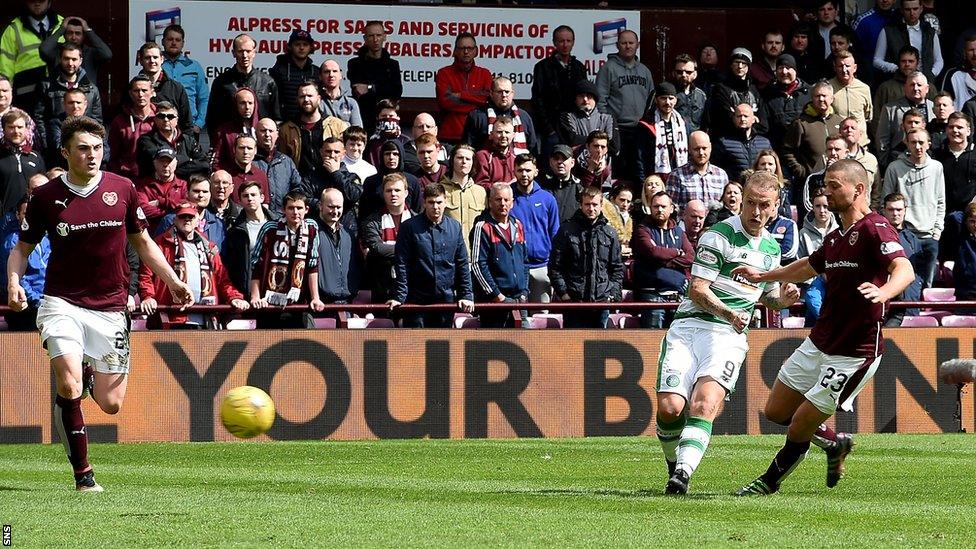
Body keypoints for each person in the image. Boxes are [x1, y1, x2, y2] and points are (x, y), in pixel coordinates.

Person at [7, 115, 193, 491]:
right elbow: (21, 249)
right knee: (69, 384)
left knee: (111, 403)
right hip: (62, 303)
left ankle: (86, 377)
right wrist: (13, 281)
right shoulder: (46, 197)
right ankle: (84, 476)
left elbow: (142, 242)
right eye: (83, 149)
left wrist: (172, 281)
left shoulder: (122, 188)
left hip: (110, 307)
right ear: (66, 152)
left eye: (97, 148)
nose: (92, 155)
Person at [734, 159, 914, 497]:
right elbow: (808, 267)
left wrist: (884, 292)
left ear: (858, 190)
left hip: (854, 352)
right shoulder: (835, 236)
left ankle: (767, 482)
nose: (826, 191)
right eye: (825, 185)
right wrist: (764, 276)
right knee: (775, 411)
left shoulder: (876, 228)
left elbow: (904, 268)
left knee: (802, 421)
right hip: (820, 341)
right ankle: (834, 445)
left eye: (834, 185)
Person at [656, 171, 797, 495]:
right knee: (670, 408)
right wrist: (729, 312)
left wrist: (782, 299)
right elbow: (697, 289)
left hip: (727, 338)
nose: (756, 212)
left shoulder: (772, 249)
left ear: (775, 207)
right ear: (740, 201)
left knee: (705, 404)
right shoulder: (717, 236)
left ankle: (682, 475)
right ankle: (673, 462)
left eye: (764, 205)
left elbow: (765, 296)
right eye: (750, 203)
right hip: (690, 327)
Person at [139, 203, 247, 329]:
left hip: (205, 318)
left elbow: (222, 279)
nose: (187, 220)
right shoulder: (159, 244)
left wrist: (234, 297)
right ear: (174, 219)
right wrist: (148, 297)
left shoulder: (209, 248)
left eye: (190, 217)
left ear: (198, 221)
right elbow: (146, 275)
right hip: (171, 319)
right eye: (182, 216)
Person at [389, 183, 474, 328]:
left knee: (441, 347)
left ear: (445, 202)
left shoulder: (454, 227)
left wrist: (466, 295)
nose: (435, 207)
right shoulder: (409, 227)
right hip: (416, 300)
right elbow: (401, 264)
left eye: (439, 202)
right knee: (417, 346)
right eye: (431, 202)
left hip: (445, 299)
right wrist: (399, 297)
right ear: (424, 203)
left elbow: (462, 263)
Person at [549, 186, 624, 328]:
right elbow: (555, 266)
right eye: (587, 204)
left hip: (602, 301)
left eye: (595, 204)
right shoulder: (566, 231)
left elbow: (617, 268)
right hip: (574, 302)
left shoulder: (610, 233)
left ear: (602, 206)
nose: (591, 208)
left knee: (599, 347)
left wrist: (612, 294)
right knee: (573, 347)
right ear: (580, 205)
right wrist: (564, 293)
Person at [249, 190, 324, 328]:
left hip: (299, 301)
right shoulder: (270, 229)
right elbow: (256, 264)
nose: (295, 212)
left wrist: (315, 298)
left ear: (306, 209)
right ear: (284, 210)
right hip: (270, 300)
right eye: (291, 208)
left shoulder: (312, 228)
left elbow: (313, 265)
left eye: (299, 208)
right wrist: (255, 297)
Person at [881, 128, 945, 287]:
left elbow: (940, 201)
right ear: (906, 144)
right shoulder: (894, 168)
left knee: (927, 284)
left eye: (921, 142)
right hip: (904, 234)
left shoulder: (936, 167)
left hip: (929, 235)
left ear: (929, 144)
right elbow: (886, 200)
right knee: (905, 280)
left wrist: (937, 231)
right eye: (913, 142)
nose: (918, 146)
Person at [470, 182, 529, 328]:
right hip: (494, 302)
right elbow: (478, 265)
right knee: (495, 348)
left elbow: (525, 262)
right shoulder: (483, 227)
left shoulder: (518, 226)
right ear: (490, 202)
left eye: (506, 200)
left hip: (519, 300)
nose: (502, 203)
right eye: (498, 199)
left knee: (525, 344)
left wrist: (524, 291)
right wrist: (497, 295)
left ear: (512, 203)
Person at [596, 30, 653, 179]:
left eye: (631, 43)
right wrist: (607, 124)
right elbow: (600, 99)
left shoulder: (644, 71)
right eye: (624, 43)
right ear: (617, 45)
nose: (628, 46)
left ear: (637, 45)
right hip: (618, 129)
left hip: (640, 128)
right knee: (618, 170)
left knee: (639, 169)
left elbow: (652, 99)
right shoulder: (608, 68)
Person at [631, 191, 693, 329]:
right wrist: (677, 252)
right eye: (656, 206)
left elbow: (690, 257)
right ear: (650, 208)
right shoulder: (642, 229)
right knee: (653, 344)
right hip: (652, 296)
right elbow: (653, 252)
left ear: (671, 208)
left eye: (663, 206)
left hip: (677, 296)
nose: (659, 209)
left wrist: (664, 260)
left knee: (678, 342)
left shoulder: (678, 231)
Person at [206, 34, 280, 142]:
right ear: (233, 53)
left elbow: (276, 118)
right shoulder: (222, 83)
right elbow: (213, 119)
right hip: (230, 144)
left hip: (260, 144)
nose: (244, 55)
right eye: (240, 51)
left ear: (254, 52)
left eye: (248, 51)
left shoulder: (267, 82)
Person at [34, 43, 102, 158]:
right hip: (53, 150)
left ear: (80, 60)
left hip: (85, 151)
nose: (70, 63)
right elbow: (39, 117)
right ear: (60, 59)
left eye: (74, 59)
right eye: (66, 59)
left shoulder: (91, 89)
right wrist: (46, 144)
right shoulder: (46, 85)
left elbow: (97, 121)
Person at [510, 153, 560, 304]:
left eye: (528, 170)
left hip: (542, 266)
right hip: (515, 267)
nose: (524, 174)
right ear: (514, 171)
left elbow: (554, 233)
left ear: (536, 172)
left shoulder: (547, 199)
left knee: (541, 316)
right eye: (520, 170)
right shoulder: (506, 197)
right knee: (518, 316)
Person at [531, 25, 587, 155]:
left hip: (574, 127)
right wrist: (549, 129)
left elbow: (584, 97)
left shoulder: (579, 67)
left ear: (573, 42)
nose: (565, 45)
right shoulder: (543, 67)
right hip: (551, 127)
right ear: (554, 42)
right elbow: (537, 99)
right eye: (561, 41)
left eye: (569, 41)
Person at [360, 173, 413, 305]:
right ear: (383, 193)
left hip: (412, 285)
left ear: (406, 193)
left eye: (397, 190)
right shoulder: (371, 221)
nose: (393, 194)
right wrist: (409, 250)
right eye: (389, 190)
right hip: (382, 286)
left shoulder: (417, 220)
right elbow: (377, 249)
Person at [0, 0, 63, 109]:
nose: (37, 4)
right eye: (32, 0)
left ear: (49, 2)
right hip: (26, 95)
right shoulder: (13, 29)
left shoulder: (62, 24)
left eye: (41, 0)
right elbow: (5, 69)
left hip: (60, 93)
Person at [220, 181, 278, 295]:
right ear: (240, 201)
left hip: (275, 288)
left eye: (253, 195)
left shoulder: (278, 225)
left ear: (262, 198)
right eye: (245, 196)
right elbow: (232, 266)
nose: (250, 199)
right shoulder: (235, 231)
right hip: (247, 291)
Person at [782, 81, 844, 185]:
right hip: (811, 182)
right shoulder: (801, 123)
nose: (821, 99)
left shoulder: (839, 121)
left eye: (824, 96)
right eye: (817, 96)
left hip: (837, 179)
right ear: (811, 98)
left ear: (832, 99)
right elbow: (787, 150)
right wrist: (801, 171)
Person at [347, 21, 403, 135]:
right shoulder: (355, 64)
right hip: (363, 118)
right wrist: (382, 87)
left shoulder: (392, 65)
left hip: (386, 118)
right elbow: (358, 90)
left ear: (385, 37)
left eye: (378, 35)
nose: (375, 39)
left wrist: (369, 87)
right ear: (365, 38)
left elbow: (396, 91)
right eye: (371, 36)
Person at [435, 32, 492, 144]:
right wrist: (476, 104)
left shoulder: (485, 74)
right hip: (450, 136)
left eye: (470, 48)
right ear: (455, 51)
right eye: (462, 48)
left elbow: (487, 100)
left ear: (476, 51)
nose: (466, 52)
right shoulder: (443, 73)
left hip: (479, 136)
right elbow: (445, 102)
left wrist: (461, 95)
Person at [301, 137, 362, 236]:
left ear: (343, 154)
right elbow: (302, 198)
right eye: (328, 151)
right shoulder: (311, 177)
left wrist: (336, 173)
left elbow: (354, 196)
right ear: (321, 152)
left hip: (346, 230)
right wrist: (322, 206)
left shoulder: (351, 177)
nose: (332, 155)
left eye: (336, 152)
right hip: (317, 229)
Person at [880, 192, 924, 326]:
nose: (895, 213)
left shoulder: (912, 239)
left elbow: (918, 273)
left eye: (899, 209)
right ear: (884, 210)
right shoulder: (876, 235)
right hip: (884, 307)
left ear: (905, 211)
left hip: (909, 304)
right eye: (891, 209)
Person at [463, 76, 537, 156]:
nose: (504, 95)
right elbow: (468, 149)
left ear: (512, 93)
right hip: (486, 165)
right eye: (499, 92)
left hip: (518, 165)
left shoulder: (524, 117)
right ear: (491, 93)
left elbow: (532, 148)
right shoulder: (477, 116)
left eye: (507, 92)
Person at [135, 101, 209, 180]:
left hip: (184, 188)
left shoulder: (188, 140)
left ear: (176, 120)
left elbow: (204, 164)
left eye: (170, 116)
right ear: (155, 119)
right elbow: (158, 163)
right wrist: (188, 161)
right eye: (161, 116)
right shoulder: (146, 141)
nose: (166, 119)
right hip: (153, 187)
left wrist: (172, 168)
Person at [875, 71, 936, 168]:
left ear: (927, 88)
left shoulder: (934, 108)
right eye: (912, 85)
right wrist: (886, 164)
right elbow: (882, 140)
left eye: (919, 85)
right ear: (905, 87)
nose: (916, 88)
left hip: (928, 163)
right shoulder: (890, 109)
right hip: (898, 162)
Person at [873, 0, 944, 81]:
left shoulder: (929, 32)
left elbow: (939, 60)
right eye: (908, 9)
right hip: (897, 81)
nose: (912, 13)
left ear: (921, 9)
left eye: (915, 9)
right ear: (902, 10)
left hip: (924, 82)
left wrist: (931, 74)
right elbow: (877, 60)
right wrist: (895, 68)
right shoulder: (888, 31)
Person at [797, 189, 837, 326]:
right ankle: (830, 325)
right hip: (811, 283)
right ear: (812, 207)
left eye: (825, 206)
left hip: (835, 283)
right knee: (812, 302)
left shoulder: (840, 232)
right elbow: (800, 262)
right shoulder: (803, 233)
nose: (822, 210)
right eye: (818, 206)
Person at [315, 188, 361, 307]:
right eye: (331, 207)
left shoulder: (348, 234)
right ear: (321, 206)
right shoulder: (312, 232)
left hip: (347, 302)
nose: (335, 211)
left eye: (339, 207)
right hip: (321, 304)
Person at [635, 82, 690, 181]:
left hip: (680, 176)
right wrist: (642, 181)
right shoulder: (646, 124)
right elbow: (639, 157)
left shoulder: (683, 123)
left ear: (676, 100)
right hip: (654, 178)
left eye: (671, 98)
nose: (667, 102)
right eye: (663, 98)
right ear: (656, 100)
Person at [706, 48, 764, 140]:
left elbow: (763, 124)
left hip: (753, 140)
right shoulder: (721, 88)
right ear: (731, 65)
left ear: (749, 66)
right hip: (728, 140)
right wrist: (751, 120)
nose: (740, 66)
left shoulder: (755, 90)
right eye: (736, 62)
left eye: (744, 63)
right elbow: (724, 120)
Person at [160, 24, 208, 135]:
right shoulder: (156, 65)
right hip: (162, 124)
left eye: (177, 40)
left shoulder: (194, 66)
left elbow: (204, 98)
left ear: (183, 43)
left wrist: (199, 124)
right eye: (170, 39)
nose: (174, 43)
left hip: (189, 126)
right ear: (163, 42)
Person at [359, 139, 422, 223]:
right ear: (382, 156)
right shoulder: (371, 182)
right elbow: (364, 211)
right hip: (376, 228)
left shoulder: (412, 181)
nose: (391, 157)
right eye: (387, 154)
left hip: (408, 227)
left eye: (395, 154)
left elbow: (417, 208)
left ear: (401, 156)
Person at [135, 42, 192, 133]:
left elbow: (187, 124)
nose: (152, 61)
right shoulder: (132, 89)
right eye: (147, 57)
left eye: (155, 57)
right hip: (140, 143)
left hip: (170, 144)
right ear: (140, 61)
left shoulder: (177, 89)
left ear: (162, 59)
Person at [107, 76, 156, 180]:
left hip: (155, 178)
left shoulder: (161, 118)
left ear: (152, 92)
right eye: (136, 90)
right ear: (130, 93)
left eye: (144, 90)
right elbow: (112, 155)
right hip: (127, 177)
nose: (140, 94)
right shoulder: (119, 121)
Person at [666, 131, 729, 212]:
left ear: (710, 147)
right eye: (696, 149)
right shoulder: (676, 176)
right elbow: (671, 209)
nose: (701, 153)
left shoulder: (721, 175)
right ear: (689, 149)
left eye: (704, 148)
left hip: (716, 224)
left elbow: (727, 208)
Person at [439, 144, 485, 255]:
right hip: (448, 255)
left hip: (475, 255)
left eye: (468, 159)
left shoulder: (480, 192)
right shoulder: (440, 189)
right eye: (460, 158)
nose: (464, 161)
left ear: (473, 163)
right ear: (452, 161)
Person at [38, 15, 111, 85]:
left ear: (84, 36)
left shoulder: (91, 53)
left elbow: (107, 55)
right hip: (60, 95)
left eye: (78, 33)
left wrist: (88, 30)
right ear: (64, 34)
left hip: (85, 95)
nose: (73, 37)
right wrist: (61, 29)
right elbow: (44, 50)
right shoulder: (57, 51)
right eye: (70, 33)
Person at [759, 53, 810, 151]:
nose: (784, 72)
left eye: (788, 67)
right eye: (780, 68)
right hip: (778, 150)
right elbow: (764, 127)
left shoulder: (808, 93)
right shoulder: (767, 94)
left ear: (795, 70)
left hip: (804, 150)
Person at [711, 103, 773, 181]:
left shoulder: (765, 143)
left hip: (759, 188)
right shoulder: (723, 143)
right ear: (733, 118)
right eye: (739, 116)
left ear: (753, 119)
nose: (742, 119)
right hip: (735, 189)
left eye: (746, 116)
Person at [0, 109, 45, 214]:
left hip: (33, 217)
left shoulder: (35, 156)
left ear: (26, 129)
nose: (16, 131)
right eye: (11, 127)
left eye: (20, 127)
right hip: (4, 221)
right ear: (3, 129)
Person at [278, 81, 326, 178]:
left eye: (310, 95)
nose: (306, 99)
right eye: (302, 96)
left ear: (319, 99)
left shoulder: (335, 125)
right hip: (299, 184)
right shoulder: (286, 129)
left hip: (328, 184)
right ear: (297, 100)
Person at [269, 30, 318, 124]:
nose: (301, 48)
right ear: (290, 46)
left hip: (310, 122)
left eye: (305, 44)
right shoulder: (279, 70)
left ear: (310, 47)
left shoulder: (315, 72)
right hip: (285, 123)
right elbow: (273, 100)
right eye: (297, 44)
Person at [253, 118, 300, 215]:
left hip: (283, 218)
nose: (267, 134)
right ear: (256, 134)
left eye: (270, 131)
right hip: (259, 217)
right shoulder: (251, 161)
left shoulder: (286, 162)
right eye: (263, 131)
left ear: (277, 134)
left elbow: (297, 187)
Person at [135, 147, 187, 234]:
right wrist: (170, 213)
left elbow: (186, 205)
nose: (165, 165)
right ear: (154, 163)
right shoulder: (143, 185)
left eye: (169, 161)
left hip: (177, 235)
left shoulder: (183, 185)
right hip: (151, 234)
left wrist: (161, 202)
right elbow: (142, 209)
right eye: (162, 161)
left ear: (176, 163)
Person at [932, 112, 976, 215]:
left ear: (968, 131)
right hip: (943, 213)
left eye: (959, 127)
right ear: (946, 130)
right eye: (951, 127)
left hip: (971, 215)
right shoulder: (937, 155)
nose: (955, 130)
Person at [558, 80, 618, 154]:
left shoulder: (608, 118)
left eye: (589, 96)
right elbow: (571, 139)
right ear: (575, 99)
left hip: (602, 164)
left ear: (595, 99)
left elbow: (614, 147)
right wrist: (601, 141)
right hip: (576, 164)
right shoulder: (567, 117)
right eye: (581, 96)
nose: (585, 99)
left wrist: (583, 141)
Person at [828, 51, 873, 148]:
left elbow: (868, 116)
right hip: (837, 147)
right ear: (835, 67)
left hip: (861, 146)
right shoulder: (828, 88)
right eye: (840, 66)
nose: (844, 70)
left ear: (855, 68)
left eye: (847, 66)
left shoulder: (864, 89)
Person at [211, 87, 259, 172]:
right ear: (235, 105)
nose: (247, 107)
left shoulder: (262, 129)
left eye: (250, 103)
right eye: (242, 103)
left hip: (258, 177)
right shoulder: (224, 131)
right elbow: (216, 162)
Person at [540, 144, 582, 223]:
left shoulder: (580, 188)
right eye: (556, 158)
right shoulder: (541, 187)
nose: (559, 162)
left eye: (564, 158)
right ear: (550, 162)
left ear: (572, 162)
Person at [473, 116, 516, 189]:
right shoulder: (483, 156)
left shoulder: (515, 158)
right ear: (491, 135)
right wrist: (505, 187)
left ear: (513, 136)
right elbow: (479, 185)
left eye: (507, 132)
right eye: (499, 132)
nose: (503, 136)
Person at [318, 59, 362, 129]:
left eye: (335, 71)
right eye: (327, 72)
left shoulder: (351, 103)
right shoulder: (316, 101)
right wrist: (346, 125)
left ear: (341, 75)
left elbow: (357, 133)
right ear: (320, 76)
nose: (331, 75)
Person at [672, 54, 708, 132]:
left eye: (688, 72)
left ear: (695, 74)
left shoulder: (701, 96)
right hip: (673, 138)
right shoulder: (666, 94)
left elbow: (706, 123)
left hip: (694, 139)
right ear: (673, 73)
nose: (684, 75)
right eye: (679, 72)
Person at [939, 35, 976, 110]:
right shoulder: (953, 75)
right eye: (971, 50)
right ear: (964, 53)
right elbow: (943, 101)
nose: (975, 53)